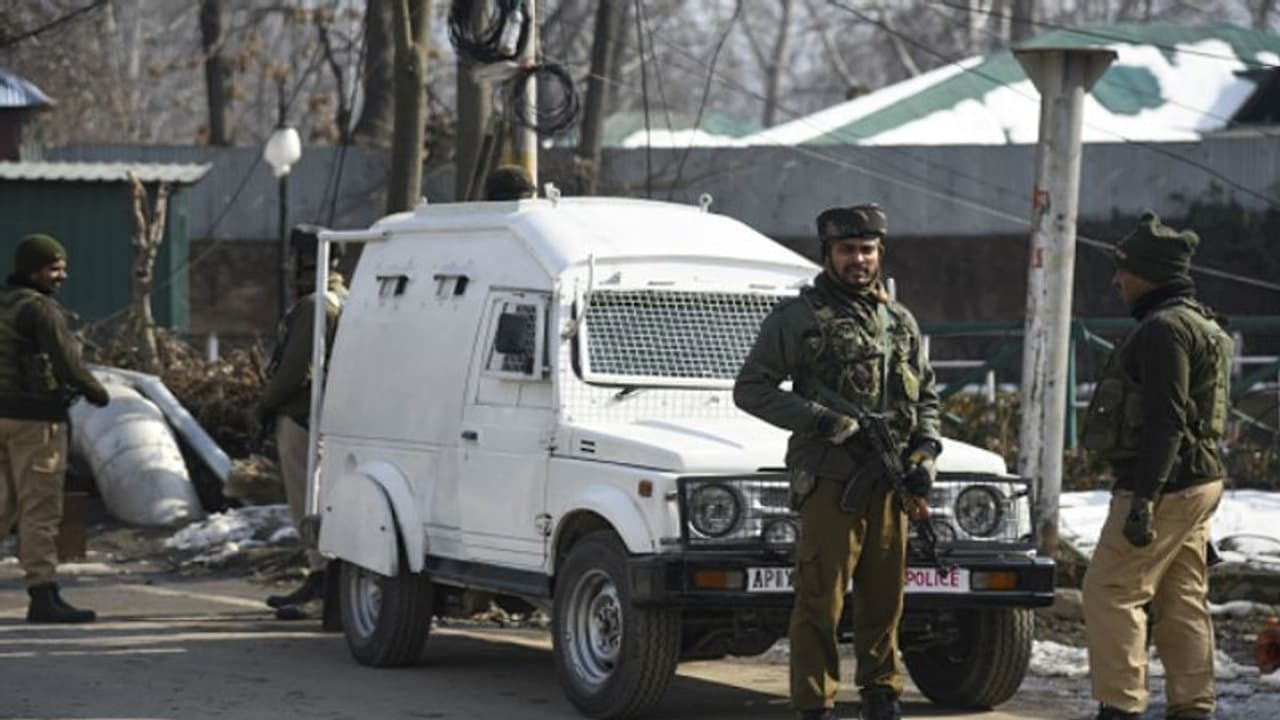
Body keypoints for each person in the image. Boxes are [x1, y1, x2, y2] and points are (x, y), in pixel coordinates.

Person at [734, 205, 942, 720]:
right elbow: (751, 389)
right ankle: (814, 703)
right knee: (820, 601)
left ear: (880, 254)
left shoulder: (900, 320)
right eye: (847, 250)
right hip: (829, 479)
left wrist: (925, 453)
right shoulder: (799, 318)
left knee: (884, 598)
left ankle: (880, 692)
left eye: (867, 250)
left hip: (889, 484)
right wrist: (823, 421)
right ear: (827, 253)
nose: (858, 260)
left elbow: (928, 396)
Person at [1081, 212, 1231, 720]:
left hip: (1165, 483)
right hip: (1198, 480)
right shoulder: (1200, 321)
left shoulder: (1164, 329)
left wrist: (1144, 498)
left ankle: (1120, 707)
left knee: (1110, 591)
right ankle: (1194, 705)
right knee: (1181, 594)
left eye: (1123, 270)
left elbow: (1166, 421)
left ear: (1147, 273)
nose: (1116, 279)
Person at [0, 233, 109, 623]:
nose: (62, 275)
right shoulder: (41, 310)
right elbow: (67, 365)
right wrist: (98, 393)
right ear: (33, 270)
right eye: (55, 267)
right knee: (40, 508)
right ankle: (43, 594)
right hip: (36, 421)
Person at [257, 226, 348, 620]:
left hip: (303, 417)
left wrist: (263, 406)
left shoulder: (316, 304)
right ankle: (323, 579)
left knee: (307, 501)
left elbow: (296, 370)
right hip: (326, 418)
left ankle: (321, 578)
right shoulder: (343, 299)